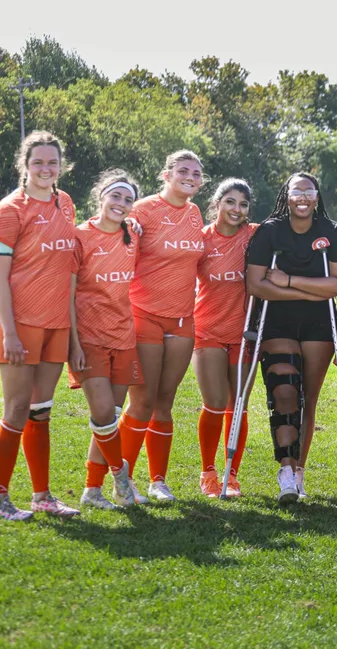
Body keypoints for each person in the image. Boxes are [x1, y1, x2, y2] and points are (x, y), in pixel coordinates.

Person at [245, 173, 337, 505]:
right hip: (276, 323)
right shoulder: (270, 231)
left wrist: (289, 282)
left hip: (319, 326)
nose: (302, 197)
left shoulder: (331, 232)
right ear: (286, 196)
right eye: (296, 191)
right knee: (285, 392)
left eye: (309, 191)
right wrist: (312, 291)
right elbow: (256, 284)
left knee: (308, 398)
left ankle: (300, 470)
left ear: (317, 196)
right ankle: (286, 470)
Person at [0, 132, 78, 520]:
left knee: (40, 410)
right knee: (15, 408)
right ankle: (0, 494)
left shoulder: (66, 203)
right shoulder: (11, 209)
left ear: (61, 166)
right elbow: (0, 277)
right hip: (21, 324)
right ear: (24, 166)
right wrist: (9, 332)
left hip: (57, 325)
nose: (46, 169)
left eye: (52, 162)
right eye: (38, 162)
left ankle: (42, 496)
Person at [119, 149, 205, 502]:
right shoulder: (142, 211)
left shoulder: (196, 213)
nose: (190, 177)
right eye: (183, 170)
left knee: (165, 402)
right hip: (144, 313)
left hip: (184, 318)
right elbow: (118, 249)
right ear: (166, 174)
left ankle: (158, 480)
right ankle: (121, 477)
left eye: (197, 173)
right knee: (142, 400)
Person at [68, 170, 142, 510]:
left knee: (109, 416)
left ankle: (91, 491)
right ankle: (121, 476)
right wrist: (74, 343)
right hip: (89, 337)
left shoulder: (133, 235)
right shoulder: (80, 237)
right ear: (101, 197)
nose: (121, 204)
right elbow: (67, 295)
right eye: (116, 196)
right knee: (102, 414)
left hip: (124, 337)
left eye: (128, 200)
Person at [193, 178, 257, 498]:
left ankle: (232, 475)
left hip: (245, 333)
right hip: (206, 329)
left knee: (239, 406)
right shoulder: (201, 238)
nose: (237, 209)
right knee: (215, 403)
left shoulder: (255, 235)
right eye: (230, 202)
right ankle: (208, 473)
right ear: (217, 203)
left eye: (243, 204)